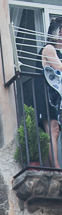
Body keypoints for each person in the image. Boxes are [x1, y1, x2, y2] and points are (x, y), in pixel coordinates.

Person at [41, 16, 62, 169]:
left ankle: (51, 166)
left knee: (55, 130)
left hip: (54, 97)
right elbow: (59, 68)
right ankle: (56, 168)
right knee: (52, 129)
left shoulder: (58, 52)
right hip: (46, 95)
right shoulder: (49, 48)